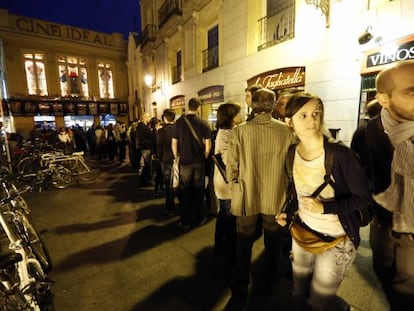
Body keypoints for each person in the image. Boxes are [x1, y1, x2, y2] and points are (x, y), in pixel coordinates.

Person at [275, 92, 371, 311]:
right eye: (304, 115)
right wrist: (288, 213)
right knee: (298, 291)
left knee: (320, 301)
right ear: (289, 121)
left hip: (337, 239)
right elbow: (297, 193)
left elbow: (363, 197)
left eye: (316, 113)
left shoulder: (340, 154)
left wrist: (326, 207)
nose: (312, 120)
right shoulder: (292, 152)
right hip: (303, 233)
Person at [224, 88, 295, 310]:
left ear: (252, 106)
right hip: (276, 194)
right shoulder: (287, 131)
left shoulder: (239, 131)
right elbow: (291, 169)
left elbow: (232, 167)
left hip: (247, 193)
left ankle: (240, 287)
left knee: (243, 242)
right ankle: (269, 284)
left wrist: (234, 181)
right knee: (273, 243)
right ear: (273, 106)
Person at [365, 60, 414, 310]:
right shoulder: (369, 131)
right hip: (382, 222)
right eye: (412, 91)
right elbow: (362, 172)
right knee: (383, 272)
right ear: (384, 99)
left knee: (407, 287)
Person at [171, 98, 212, 229]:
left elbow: (174, 144)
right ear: (198, 107)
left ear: (188, 107)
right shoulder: (203, 123)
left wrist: (176, 157)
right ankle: (200, 217)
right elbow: (208, 145)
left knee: (185, 191)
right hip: (199, 162)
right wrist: (204, 156)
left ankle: (186, 220)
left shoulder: (178, 123)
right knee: (199, 190)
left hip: (184, 162)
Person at [213, 102, 242, 266]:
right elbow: (228, 160)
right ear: (231, 116)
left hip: (222, 180)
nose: (241, 116)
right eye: (238, 113)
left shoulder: (225, 132)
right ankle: (228, 249)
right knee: (228, 215)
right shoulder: (227, 134)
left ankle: (220, 246)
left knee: (223, 214)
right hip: (227, 182)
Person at [156, 109, 177, 215]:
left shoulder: (161, 131)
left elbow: (159, 147)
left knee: (168, 185)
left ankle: (170, 207)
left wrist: (160, 158)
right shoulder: (178, 130)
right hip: (178, 159)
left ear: (164, 118)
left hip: (166, 159)